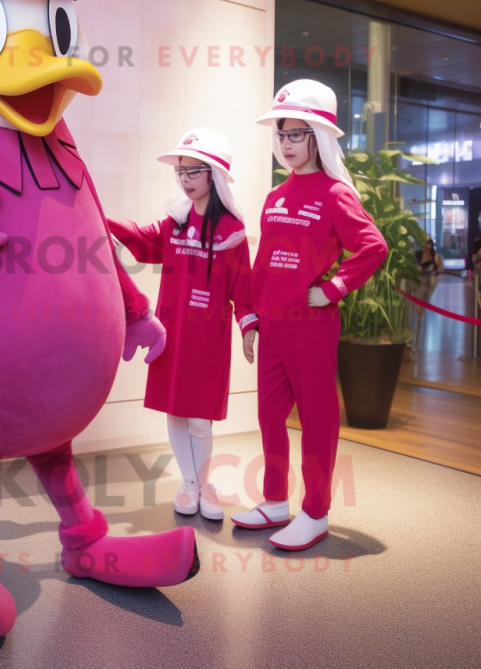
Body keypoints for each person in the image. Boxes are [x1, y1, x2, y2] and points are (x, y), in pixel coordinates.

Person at [232, 79, 388, 550]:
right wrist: (252, 317)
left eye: (296, 134)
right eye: (281, 134)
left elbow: (373, 246)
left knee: (317, 418)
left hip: (311, 329)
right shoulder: (277, 196)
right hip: (274, 327)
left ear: (318, 135)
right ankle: (275, 501)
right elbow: (265, 262)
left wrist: (335, 287)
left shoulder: (335, 193)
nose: (286, 143)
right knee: (268, 416)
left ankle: (315, 512)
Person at [108, 129, 258, 521]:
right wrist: (100, 218)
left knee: (199, 415)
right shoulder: (174, 223)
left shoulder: (232, 232)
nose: (185, 179)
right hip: (171, 332)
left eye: (193, 172)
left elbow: (244, 287)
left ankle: (204, 482)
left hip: (206, 338)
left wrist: (248, 326)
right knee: (175, 410)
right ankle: (190, 484)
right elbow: (141, 239)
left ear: (214, 175)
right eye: (181, 172)